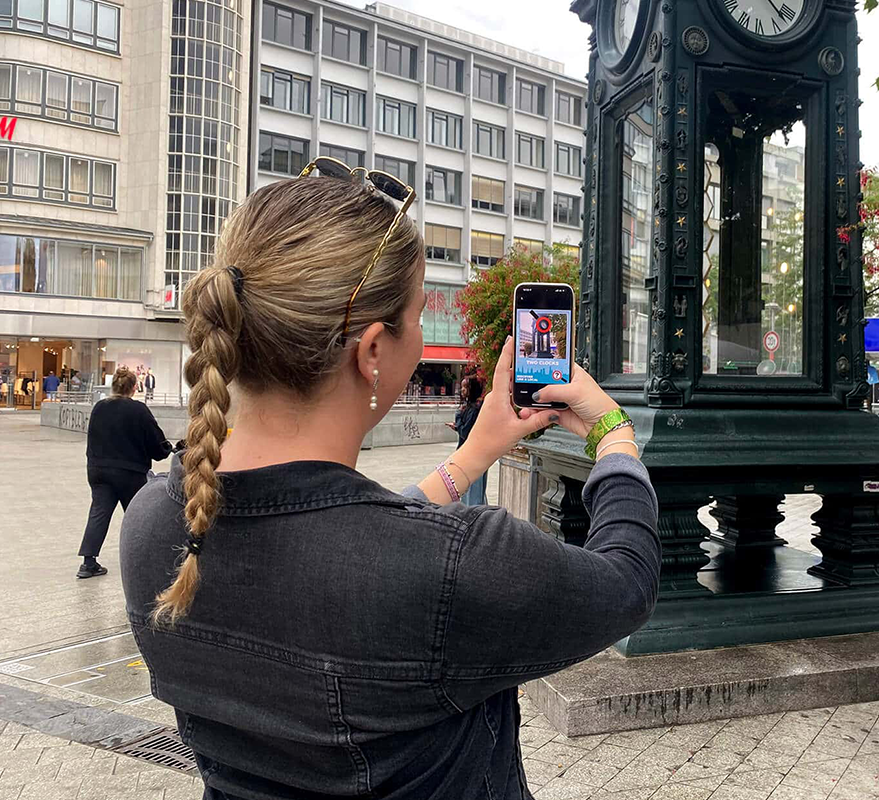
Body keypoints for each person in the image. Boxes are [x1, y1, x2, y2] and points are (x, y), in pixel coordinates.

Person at [119, 168, 658, 800]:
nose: (424, 332)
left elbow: (338, 554)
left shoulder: (155, 524)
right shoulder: (455, 564)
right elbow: (627, 582)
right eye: (419, 311)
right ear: (373, 349)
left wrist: (475, 452)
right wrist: (613, 434)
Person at [77, 366, 174, 578]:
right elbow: (156, 444)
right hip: (129, 473)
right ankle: (142, 560)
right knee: (137, 515)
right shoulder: (138, 410)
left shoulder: (99, 407)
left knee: (99, 513)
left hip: (98, 470)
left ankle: (88, 562)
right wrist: (167, 449)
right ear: (134, 387)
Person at [447, 376, 488, 505]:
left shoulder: (474, 409)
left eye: (466, 387)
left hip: (472, 455)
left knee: (473, 494)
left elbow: (466, 432)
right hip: (472, 454)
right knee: (470, 491)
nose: (462, 390)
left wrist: (458, 419)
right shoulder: (472, 407)